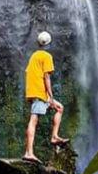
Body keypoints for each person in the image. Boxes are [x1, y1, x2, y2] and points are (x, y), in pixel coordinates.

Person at [23, 30, 69, 162]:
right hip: (39, 92)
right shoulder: (46, 56)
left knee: (59, 107)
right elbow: (46, 76)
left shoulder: (34, 56)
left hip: (33, 91)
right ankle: (28, 153)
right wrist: (50, 96)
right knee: (33, 120)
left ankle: (54, 136)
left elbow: (28, 73)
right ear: (49, 44)